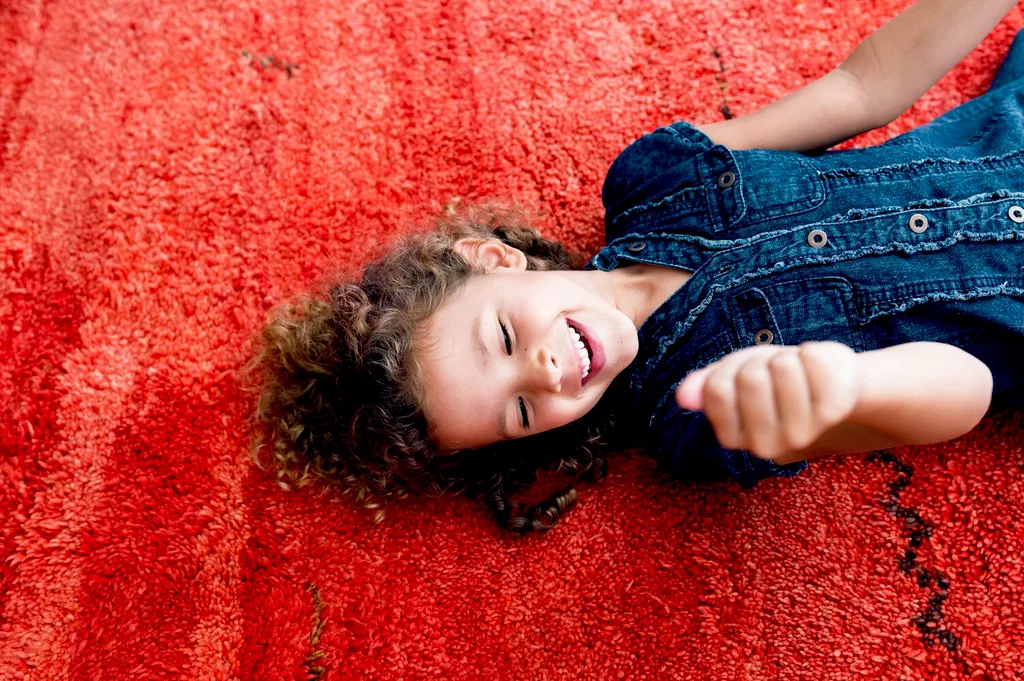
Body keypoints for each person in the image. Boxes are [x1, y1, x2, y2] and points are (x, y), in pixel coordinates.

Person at [245, 0, 1024, 533]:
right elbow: (968, 389)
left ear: (493, 258)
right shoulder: (700, 415)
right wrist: (849, 390)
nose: (545, 374)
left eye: (506, 339)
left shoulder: (655, 181)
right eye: (519, 412)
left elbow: (862, 88)